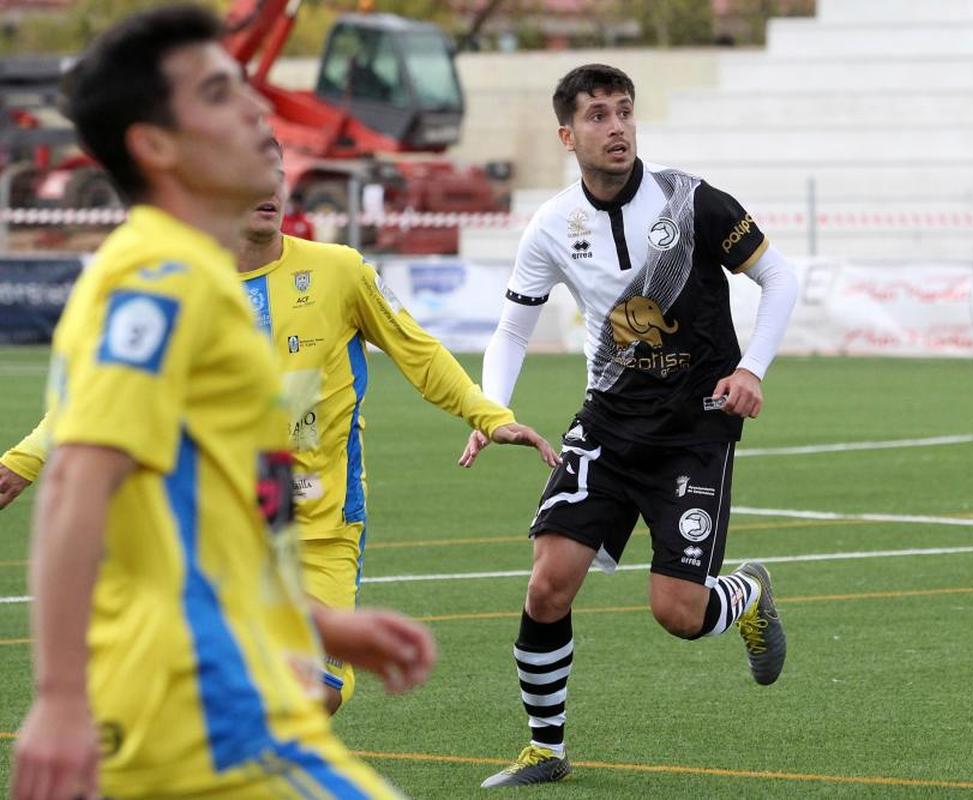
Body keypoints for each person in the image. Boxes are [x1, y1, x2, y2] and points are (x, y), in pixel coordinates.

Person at [10, 6, 425, 798]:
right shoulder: (159, 282)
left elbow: (222, 514)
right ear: (155, 146)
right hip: (203, 706)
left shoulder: (204, 280)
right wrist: (59, 700)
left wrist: (322, 623)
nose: (255, 111)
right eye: (218, 93)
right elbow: (74, 483)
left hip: (231, 686)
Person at [2, 144, 560, 716]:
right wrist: (23, 461)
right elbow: (106, 388)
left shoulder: (340, 270)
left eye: (277, 177)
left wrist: (490, 416)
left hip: (322, 525)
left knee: (317, 692)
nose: (268, 190)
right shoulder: (178, 283)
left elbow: (420, 354)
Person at [460, 64, 801, 788]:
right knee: (548, 583)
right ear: (568, 134)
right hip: (608, 428)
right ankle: (544, 749)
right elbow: (512, 332)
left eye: (624, 112)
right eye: (597, 116)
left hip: (694, 431)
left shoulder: (691, 201)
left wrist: (752, 371)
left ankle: (745, 594)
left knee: (677, 613)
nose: (616, 127)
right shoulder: (551, 225)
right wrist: (492, 412)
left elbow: (780, 279)